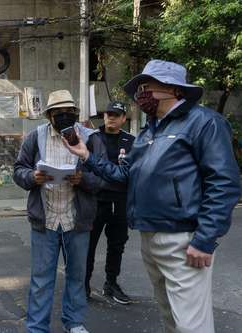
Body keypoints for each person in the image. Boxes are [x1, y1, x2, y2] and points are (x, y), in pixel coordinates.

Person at [63, 60, 241, 333]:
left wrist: (205, 239)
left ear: (174, 89)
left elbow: (224, 182)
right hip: (149, 236)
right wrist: (86, 156)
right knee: (170, 317)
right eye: (140, 87)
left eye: (147, 86)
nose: (140, 94)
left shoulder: (204, 122)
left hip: (184, 238)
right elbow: (125, 176)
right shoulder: (149, 132)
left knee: (191, 326)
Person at [13, 90, 104, 333]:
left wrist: (82, 179)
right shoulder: (35, 138)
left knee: (77, 276)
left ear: (75, 113)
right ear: (49, 115)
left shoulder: (91, 138)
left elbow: (102, 179)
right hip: (46, 220)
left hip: (77, 221)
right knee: (41, 280)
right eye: (58, 113)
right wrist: (32, 176)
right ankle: (37, 327)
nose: (64, 116)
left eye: (69, 112)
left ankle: (73, 322)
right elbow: (18, 170)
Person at [85, 101, 135, 303]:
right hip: (96, 200)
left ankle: (111, 284)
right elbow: (84, 169)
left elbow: (134, 171)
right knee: (88, 246)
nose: (111, 117)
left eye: (116, 114)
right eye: (108, 114)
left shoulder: (131, 141)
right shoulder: (93, 139)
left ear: (124, 118)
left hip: (120, 200)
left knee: (117, 245)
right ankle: (83, 284)